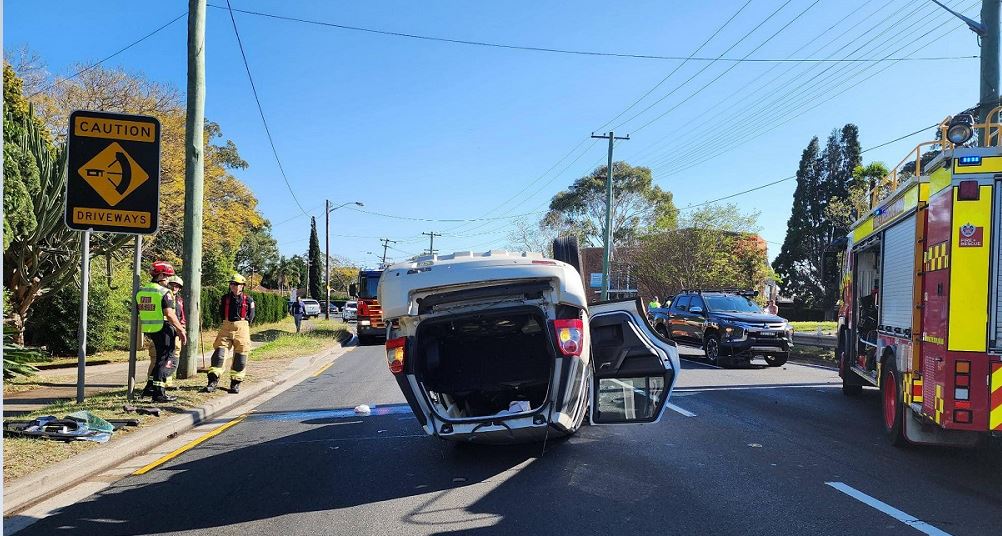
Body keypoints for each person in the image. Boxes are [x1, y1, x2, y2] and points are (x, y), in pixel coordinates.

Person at [136, 261, 187, 403]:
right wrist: (181, 329)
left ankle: (150, 388)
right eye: (168, 277)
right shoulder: (164, 292)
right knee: (166, 360)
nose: (170, 280)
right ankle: (159, 393)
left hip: (151, 329)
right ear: (161, 276)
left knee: (159, 359)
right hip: (164, 328)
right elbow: (170, 314)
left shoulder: (142, 290)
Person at [205, 273, 255, 394]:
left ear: (242, 286)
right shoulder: (225, 298)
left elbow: (251, 316)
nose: (233, 286)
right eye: (232, 284)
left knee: (240, 357)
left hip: (242, 328)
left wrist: (242, 323)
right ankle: (213, 382)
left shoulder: (248, 300)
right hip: (226, 326)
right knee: (219, 354)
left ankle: (235, 384)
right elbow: (221, 313)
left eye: (236, 284)